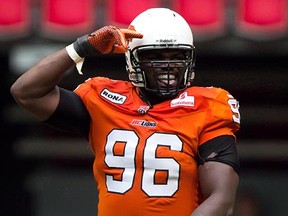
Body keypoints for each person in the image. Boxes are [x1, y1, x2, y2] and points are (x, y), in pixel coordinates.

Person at [10, 8, 241, 216]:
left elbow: (221, 199)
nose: (167, 66)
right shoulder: (103, 98)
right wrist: (80, 48)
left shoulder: (208, 106)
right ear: (132, 59)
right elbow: (26, 92)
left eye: (177, 56)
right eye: (154, 57)